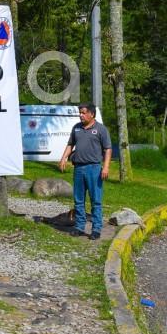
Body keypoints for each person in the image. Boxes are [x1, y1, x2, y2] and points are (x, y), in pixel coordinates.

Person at [58, 102, 112, 240]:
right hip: (79, 169)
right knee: (78, 200)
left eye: (83, 113)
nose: (80, 115)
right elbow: (70, 144)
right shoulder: (76, 128)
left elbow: (108, 149)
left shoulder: (101, 129)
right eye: (80, 112)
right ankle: (79, 227)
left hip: (94, 169)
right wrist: (63, 158)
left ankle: (96, 229)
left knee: (96, 201)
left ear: (91, 114)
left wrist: (105, 167)